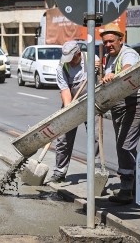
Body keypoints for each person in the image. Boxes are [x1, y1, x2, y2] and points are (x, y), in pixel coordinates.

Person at [100, 23, 140, 204]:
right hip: (118, 104)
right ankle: (136, 185)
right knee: (124, 144)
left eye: (112, 41)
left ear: (121, 40)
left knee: (125, 145)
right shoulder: (109, 56)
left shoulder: (128, 53)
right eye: (105, 42)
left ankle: (126, 189)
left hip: (133, 103)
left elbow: (128, 67)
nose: (108, 45)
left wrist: (115, 74)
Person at [49, 41, 101, 183]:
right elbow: (65, 93)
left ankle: (96, 172)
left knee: (96, 136)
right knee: (63, 138)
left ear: (78, 54)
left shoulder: (92, 59)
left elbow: (102, 80)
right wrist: (69, 112)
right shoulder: (62, 66)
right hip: (71, 103)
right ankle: (59, 171)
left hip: (92, 104)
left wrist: (99, 68)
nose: (69, 62)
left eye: (72, 59)